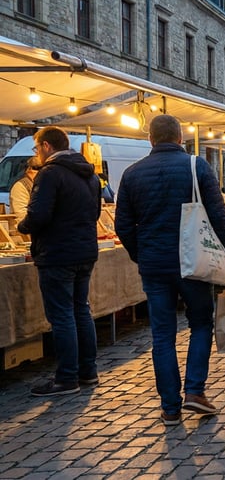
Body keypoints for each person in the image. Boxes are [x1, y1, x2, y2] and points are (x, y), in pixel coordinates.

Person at [115, 115, 225, 425]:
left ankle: (170, 406)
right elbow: (218, 216)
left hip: (155, 264)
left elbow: (123, 225)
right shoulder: (197, 167)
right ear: (180, 138)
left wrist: (139, 254)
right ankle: (194, 391)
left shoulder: (132, 174)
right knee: (200, 324)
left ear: (150, 140)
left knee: (163, 335)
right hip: (194, 261)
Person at [17, 126, 101, 397]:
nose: (36, 154)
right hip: (85, 250)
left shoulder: (50, 173)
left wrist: (22, 226)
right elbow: (96, 211)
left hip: (57, 253)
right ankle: (87, 371)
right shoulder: (89, 174)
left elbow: (38, 215)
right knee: (80, 310)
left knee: (63, 315)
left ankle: (66, 378)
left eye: (35, 148)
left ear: (46, 147)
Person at [9, 155, 41, 222]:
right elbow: (21, 215)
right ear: (29, 170)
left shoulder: (47, 184)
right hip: (25, 230)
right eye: (36, 168)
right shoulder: (20, 186)